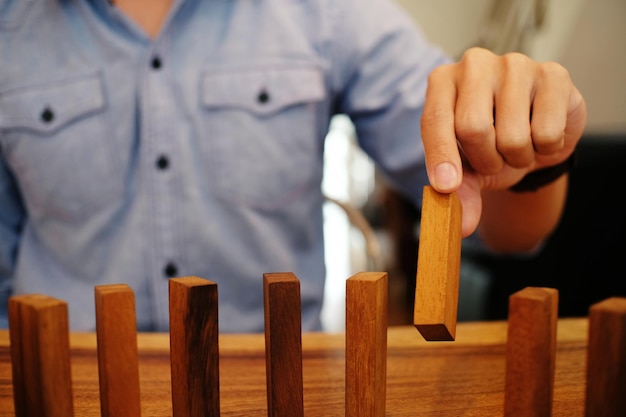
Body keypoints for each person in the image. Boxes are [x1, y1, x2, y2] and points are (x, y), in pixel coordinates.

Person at [0, 0, 586, 332]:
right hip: (54, 385)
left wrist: (526, 154)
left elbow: (505, 226)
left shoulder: (327, 12)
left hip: (278, 387)